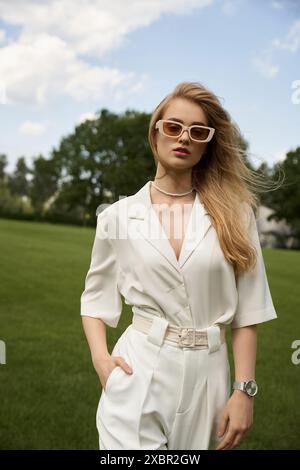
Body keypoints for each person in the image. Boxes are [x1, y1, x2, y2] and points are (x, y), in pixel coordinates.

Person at [80, 81, 278, 450]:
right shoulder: (117, 217)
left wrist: (244, 390)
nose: (184, 137)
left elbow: (248, 313)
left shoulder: (237, 216)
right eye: (173, 127)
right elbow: (95, 299)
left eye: (197, 131)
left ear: (206, 144)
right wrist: (101, 361)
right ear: (155, 133)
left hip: (211, 379)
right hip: (138, 369)